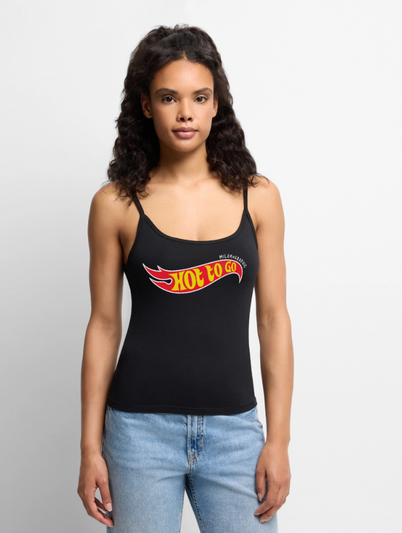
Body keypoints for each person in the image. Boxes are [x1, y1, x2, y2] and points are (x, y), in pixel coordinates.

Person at [77, 24, 294, 532]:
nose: (185, 113)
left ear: (217, 105)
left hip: (235, 433)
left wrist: (279, 440)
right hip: (138, 433)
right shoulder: (114, 204)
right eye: (169, 97)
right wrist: (90, 448)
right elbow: (103, 325)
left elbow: (272, 320)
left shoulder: (259, 197)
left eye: (199, 97)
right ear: (146, 105)